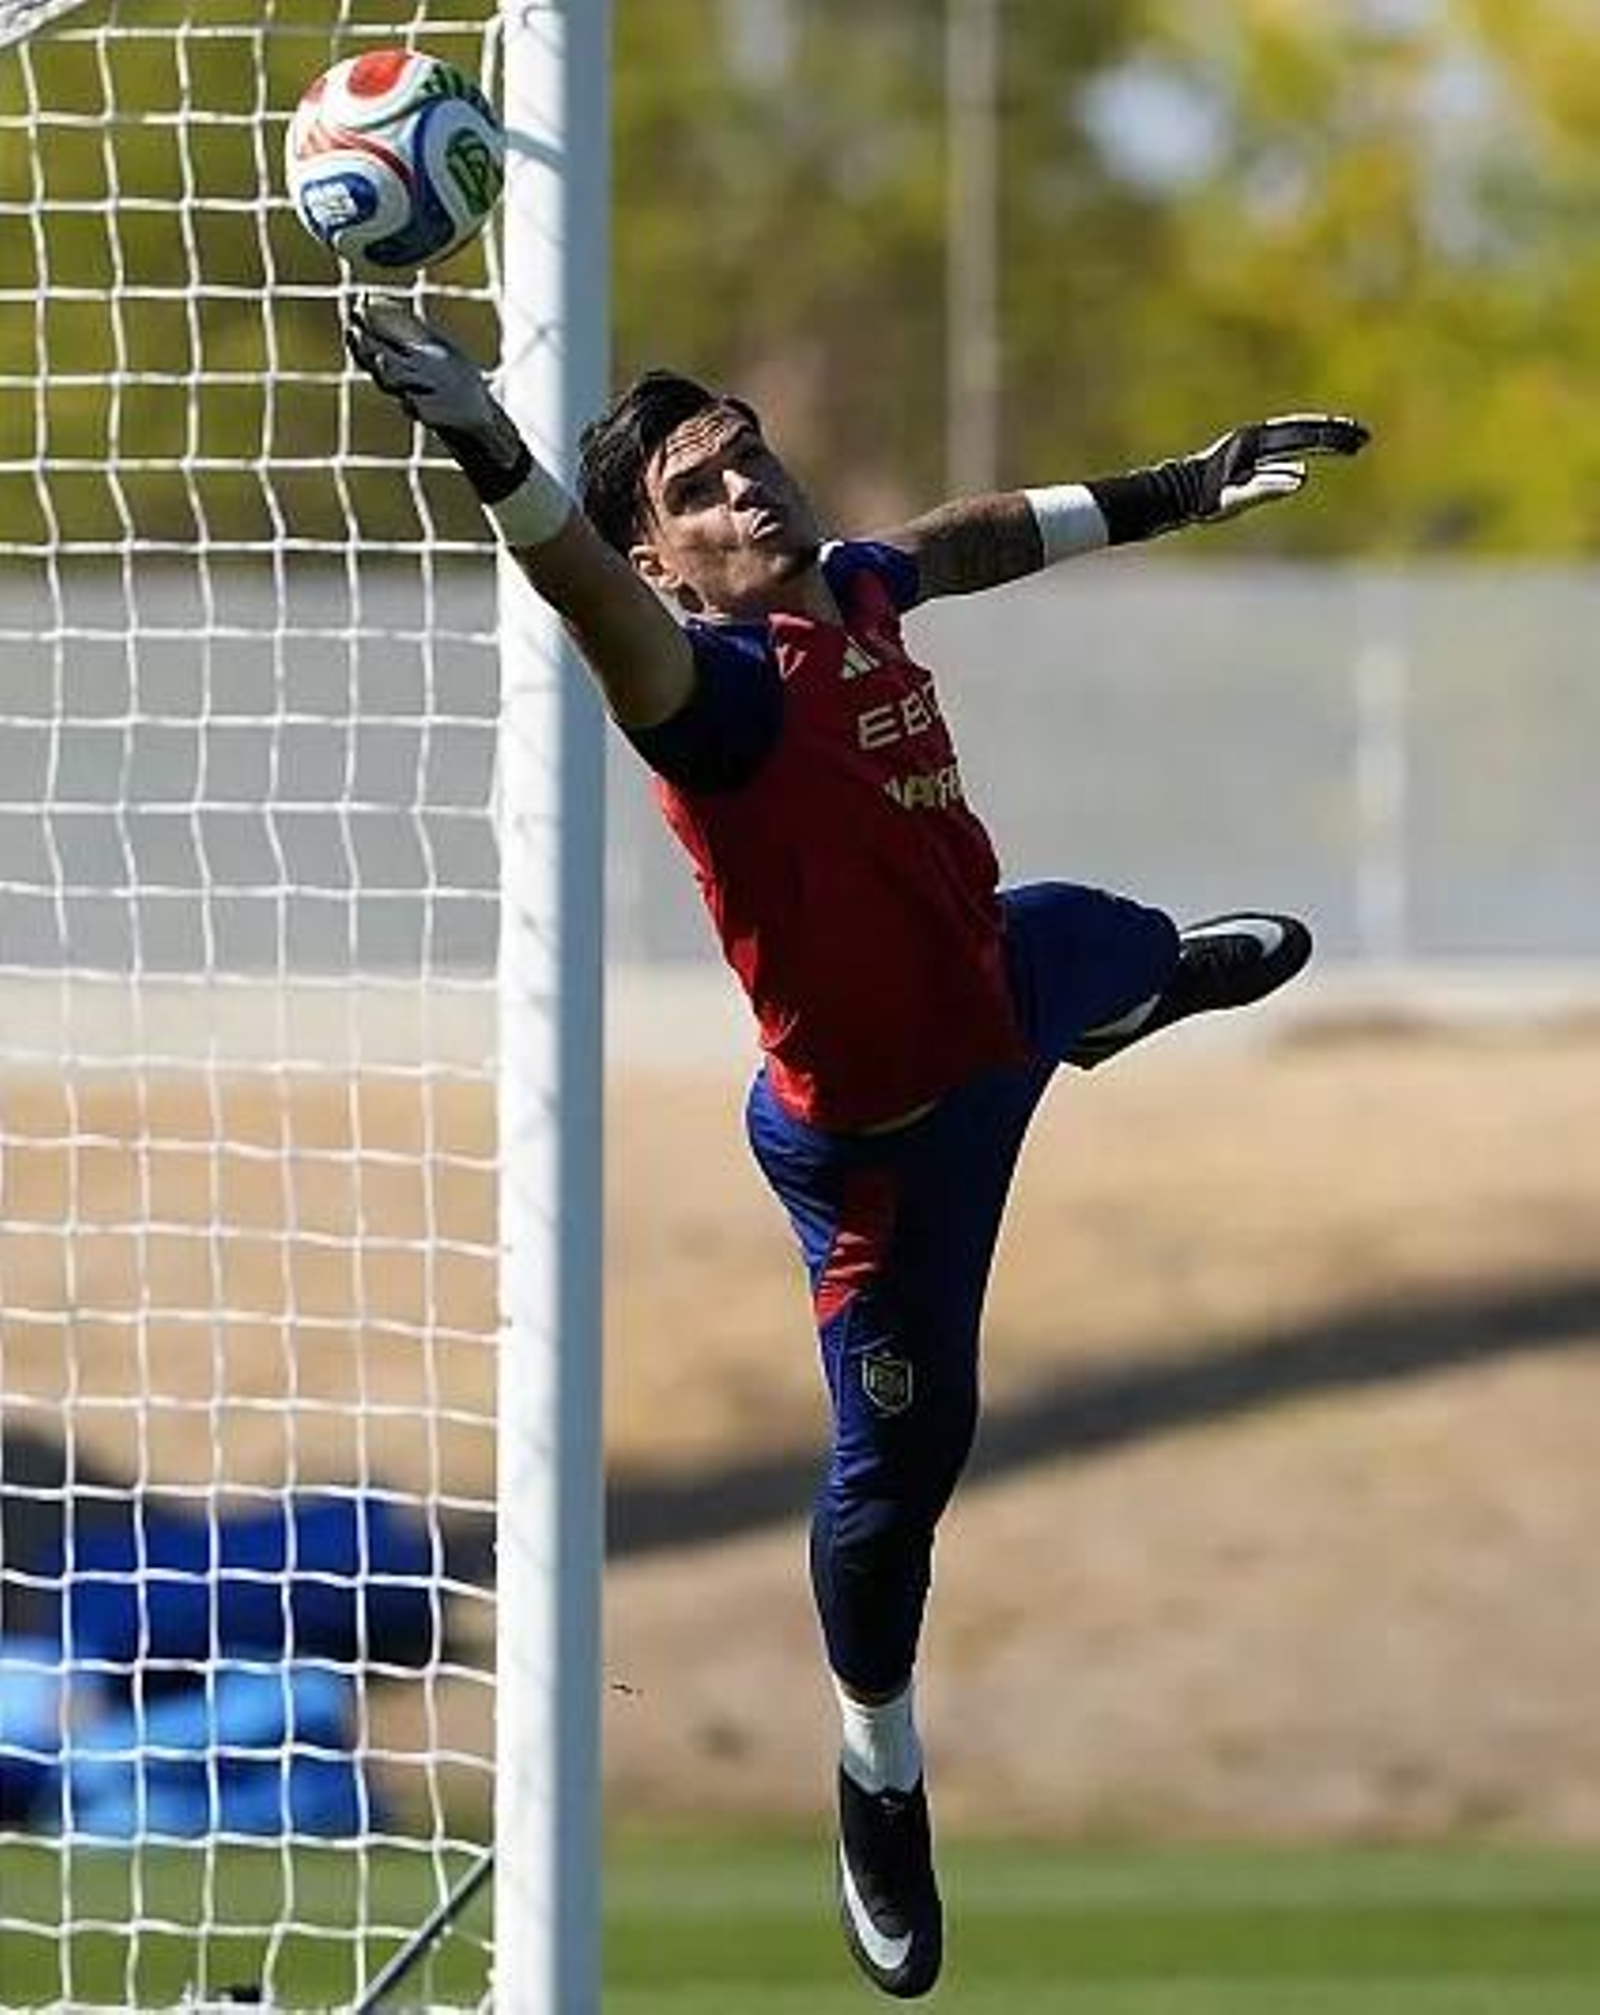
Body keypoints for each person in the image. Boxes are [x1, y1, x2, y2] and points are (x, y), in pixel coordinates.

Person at [345, 296, 1368, 2001]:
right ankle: (877, 1768)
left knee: (1103, 932)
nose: (748, 491)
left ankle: (1127, 997)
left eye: (750, 456)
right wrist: (488, 444)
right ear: (668, 565)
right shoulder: (708, 693)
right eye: (701, 494)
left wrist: (1175, 493)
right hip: (887, 1148)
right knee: (903, 1477)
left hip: (1005, 977)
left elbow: (960, 542)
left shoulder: (852, 592)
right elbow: (579, 595)